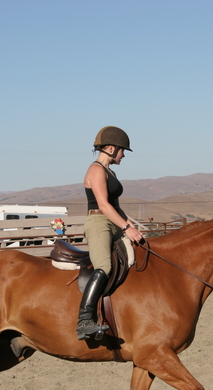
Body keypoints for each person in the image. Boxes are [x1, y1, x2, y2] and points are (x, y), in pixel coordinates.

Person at [76, 126, 145, 341]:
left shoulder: (110, 172)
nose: (123, 155)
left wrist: (131, 224)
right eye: (123, 151)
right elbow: (104, 206)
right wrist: (126, 228)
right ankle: (84, 321)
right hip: (99, 222)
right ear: (112, 149)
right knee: (104, 266)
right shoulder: (96, 170)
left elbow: (116, 207)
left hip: (113, 222)